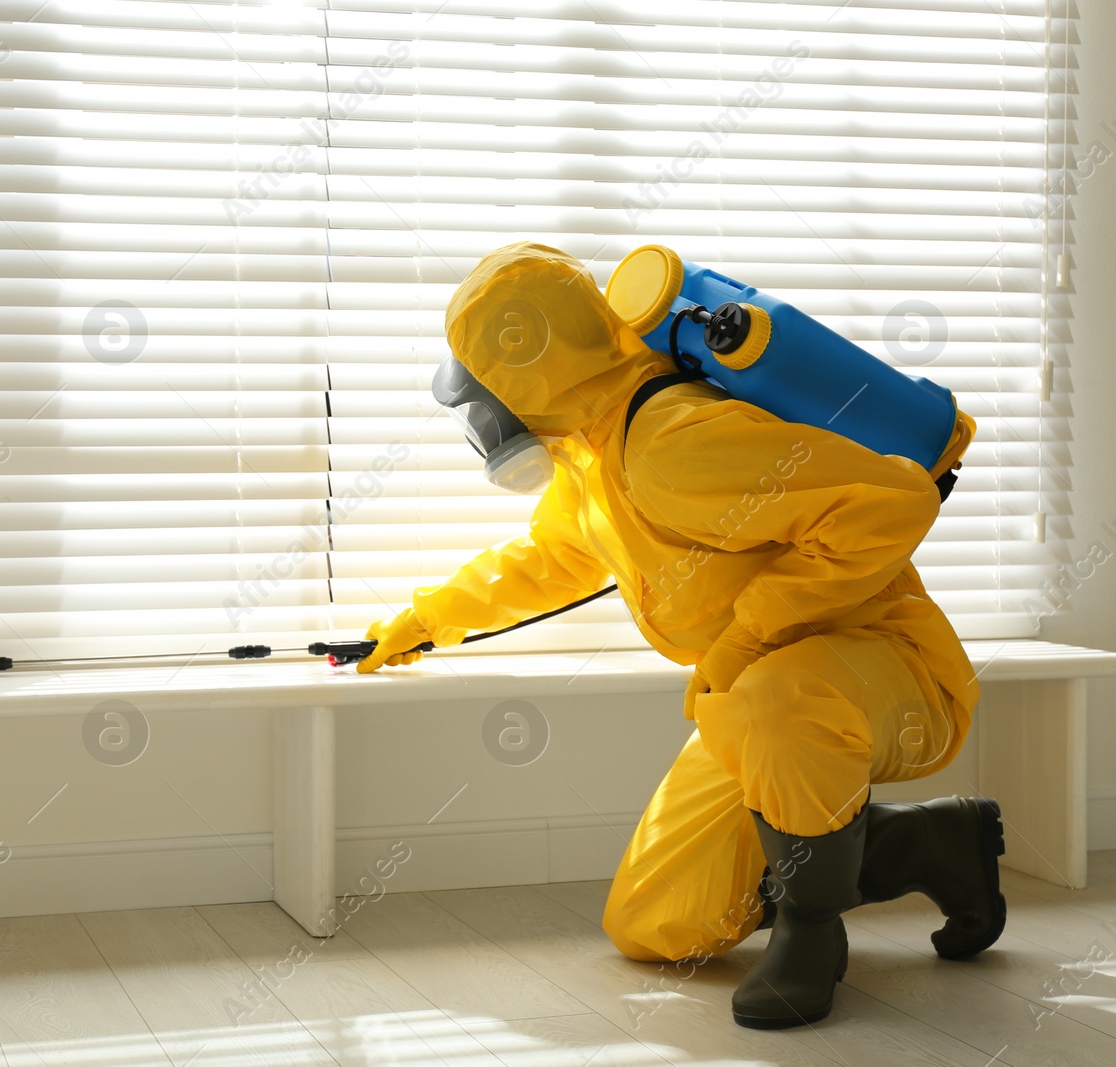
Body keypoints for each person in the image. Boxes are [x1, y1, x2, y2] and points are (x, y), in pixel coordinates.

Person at [357, 241, 1005, 1029]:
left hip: (888, 672)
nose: (484, 417)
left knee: (775, 695)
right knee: (657, 925)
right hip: (755, 703)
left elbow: (892, 505)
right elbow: (552, 556)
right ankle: (935, 844)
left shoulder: (672, 441)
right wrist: (421, 622)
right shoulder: (596, 448)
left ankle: (811, 925)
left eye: (487, 391)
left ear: (534, 366)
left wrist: (740, 642)